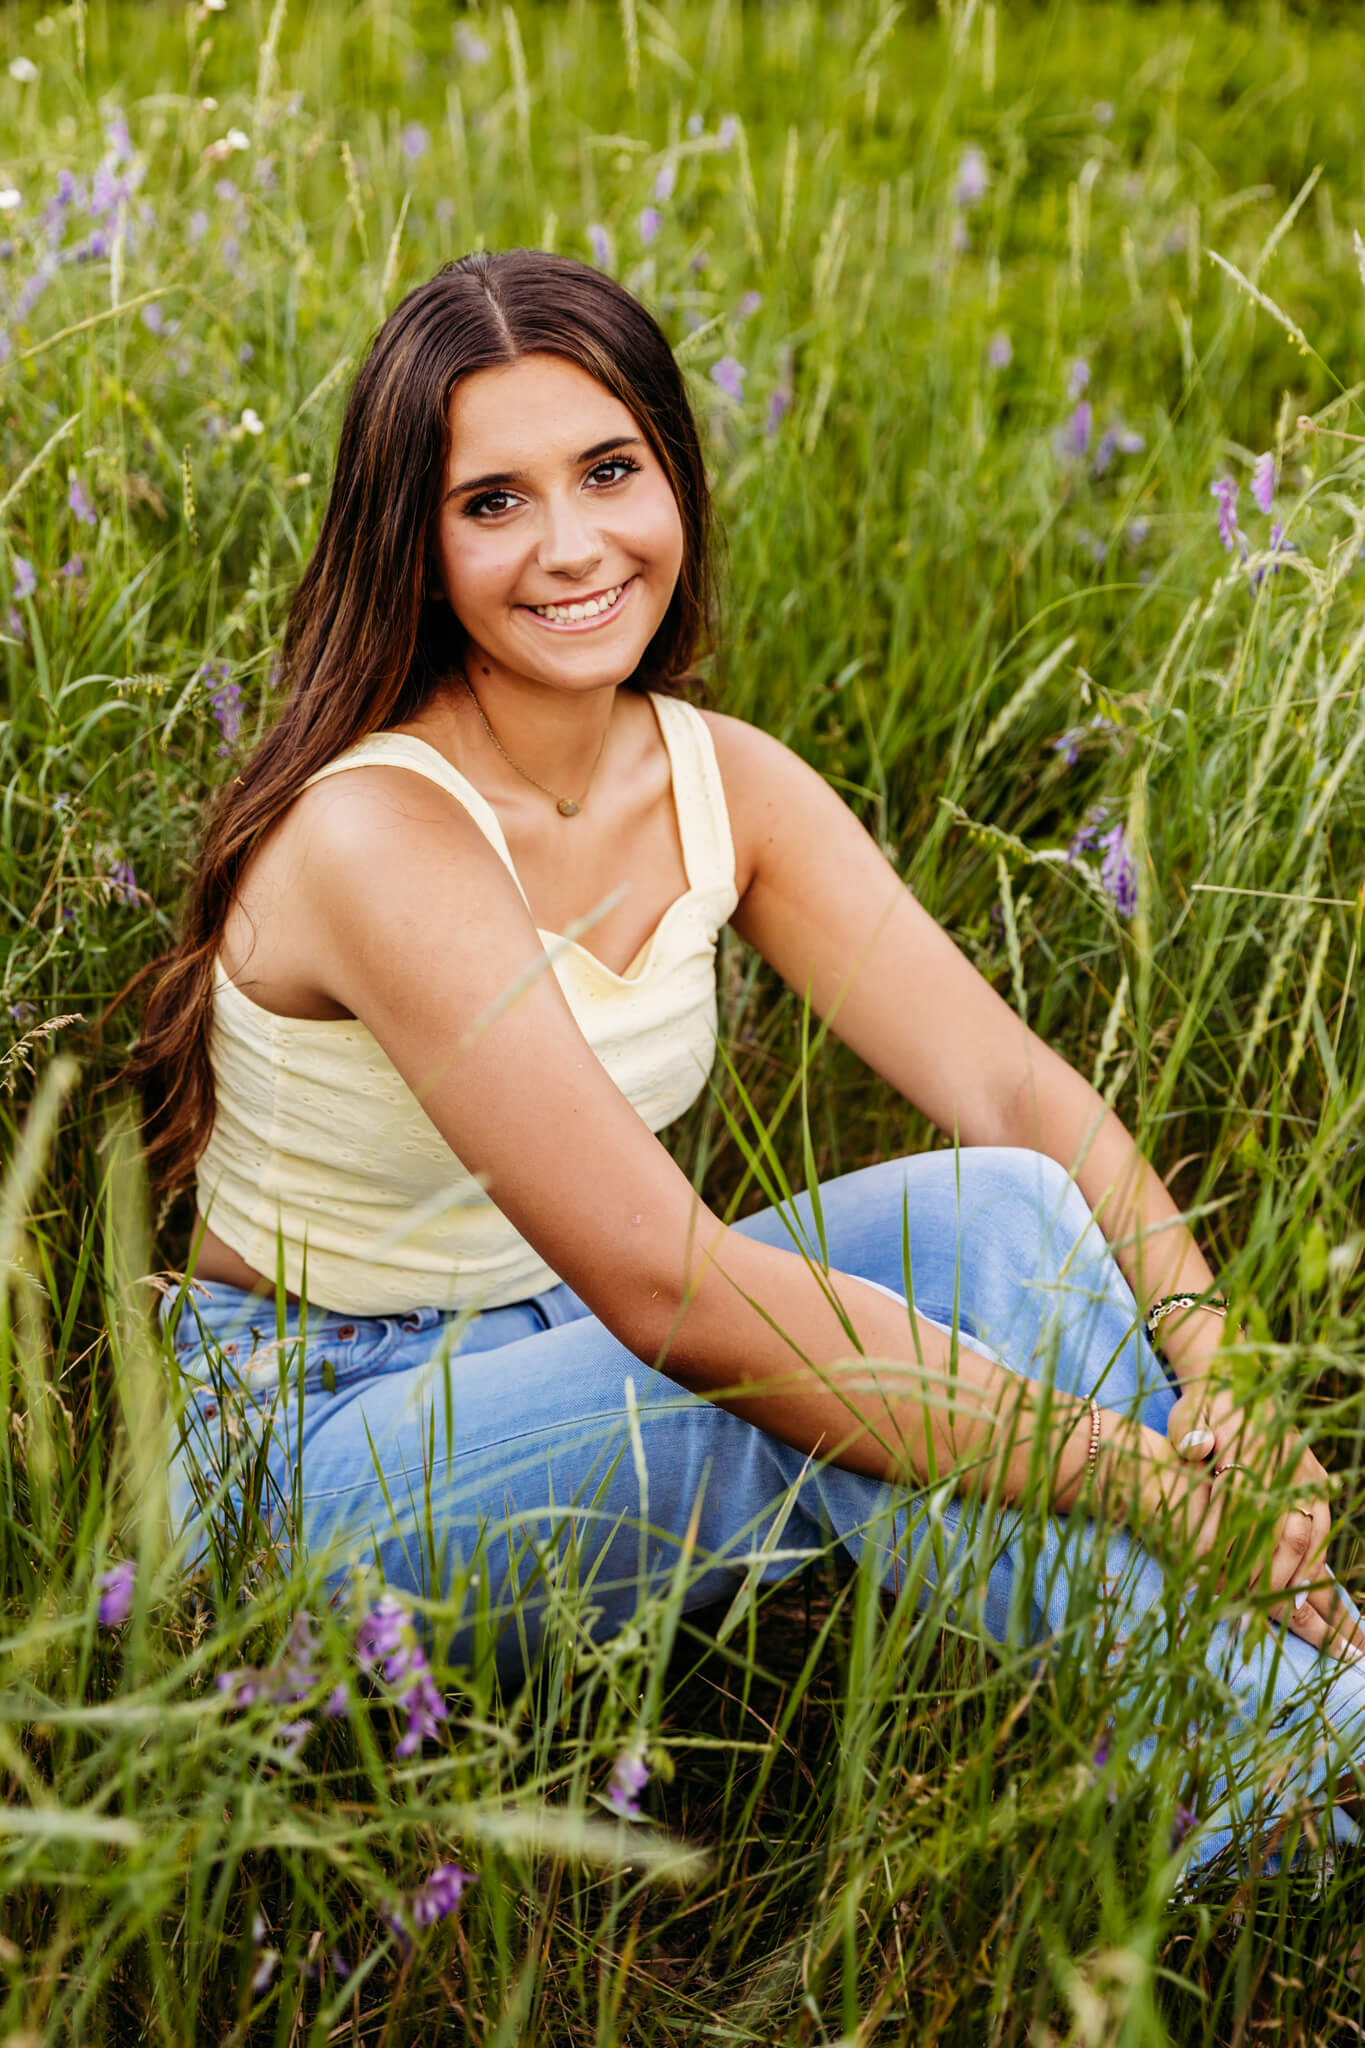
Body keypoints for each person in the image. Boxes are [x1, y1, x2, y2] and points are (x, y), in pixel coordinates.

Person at [126, 249, 1362, 1878]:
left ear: (675, 479)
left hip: (561, 1355)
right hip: (319, 1453)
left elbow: (1015, 1094)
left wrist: (1221, 1390)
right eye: (490, 501)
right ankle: (1296, 1746)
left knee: (1002, 1209)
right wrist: (1127, 1476)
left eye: (609, 472)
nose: (570, 546)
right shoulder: (376, 835)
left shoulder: (723, 783)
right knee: (780, 1390)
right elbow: (675, 1298)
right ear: (414, 547)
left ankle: (1278, 1726)